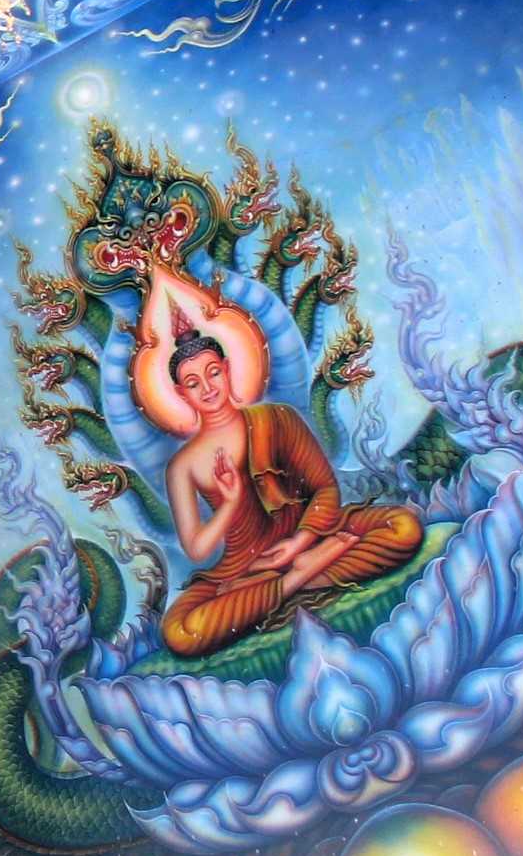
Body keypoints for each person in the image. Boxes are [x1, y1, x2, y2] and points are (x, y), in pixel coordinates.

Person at [136, 267, 425, 656]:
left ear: (227, 369)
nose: (207, 388)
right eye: (193, 383)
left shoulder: (277, 419)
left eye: (213, 373)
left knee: (402, 527)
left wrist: (298, 545)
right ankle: (298, 581)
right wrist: (231, 503)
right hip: (244, 568)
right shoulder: (183, 466)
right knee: (181, 632)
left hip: (310, 535)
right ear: (179, 392)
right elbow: (198, 548)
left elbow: (324, 489)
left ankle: (290, 578)